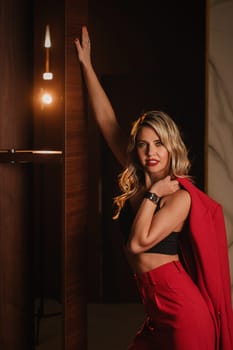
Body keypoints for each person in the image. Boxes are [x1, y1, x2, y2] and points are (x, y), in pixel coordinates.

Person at [74, 26, 233, 350]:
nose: (151, 152)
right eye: (143, 145)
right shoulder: (140, 178)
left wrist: (153, 194)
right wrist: (87, 66)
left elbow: (139, 244)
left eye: (159, 144)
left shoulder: (178, 197)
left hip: (183, 315)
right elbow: (107, 121)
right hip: (156, 313)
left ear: (171, 148)